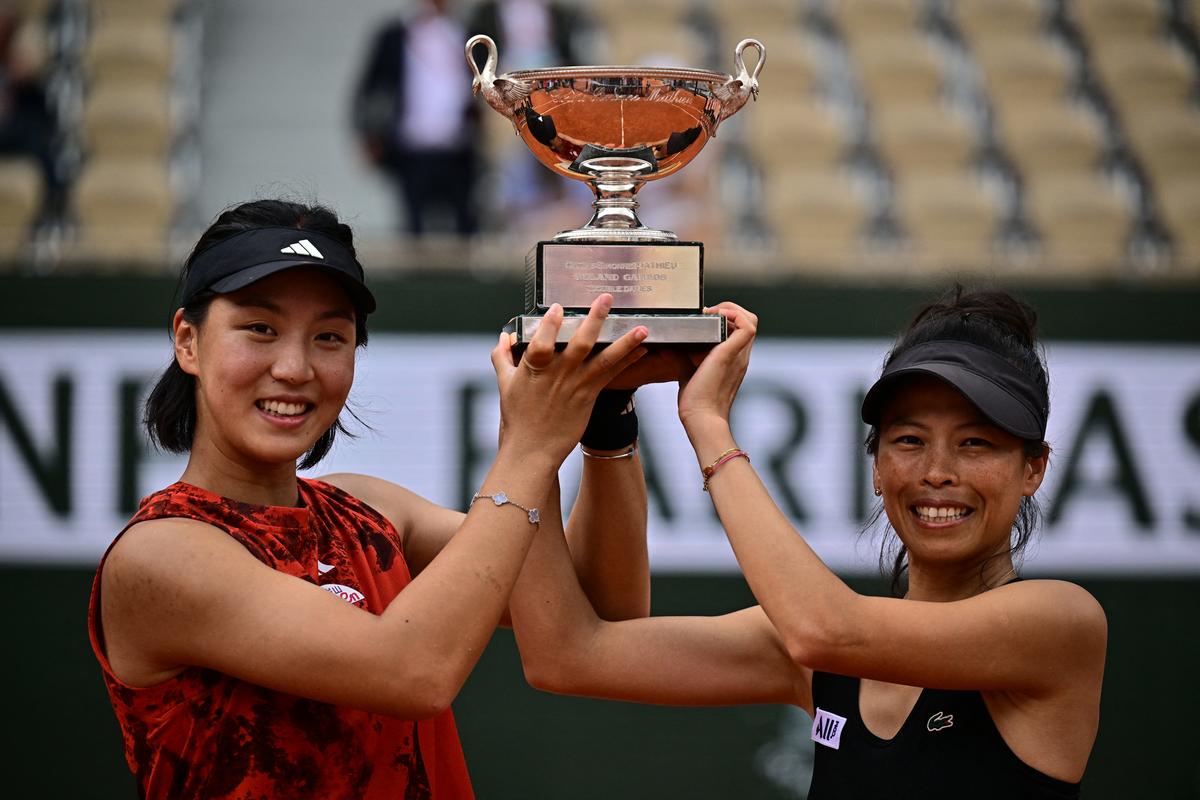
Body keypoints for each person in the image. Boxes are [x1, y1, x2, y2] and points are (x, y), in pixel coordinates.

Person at [86, 198, 656, 798]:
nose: (294, 367)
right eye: (260, 329)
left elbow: (600, 611)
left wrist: (607, 418)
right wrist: (529, 446)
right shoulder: (161, 556)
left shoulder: (371, 513)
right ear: (188, 342)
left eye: (329, 337)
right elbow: (414, 672)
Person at [509, 288, 1107, 797]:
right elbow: (565, 654)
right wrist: (566, 427)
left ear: (1034, 469)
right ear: (875, 466)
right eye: (909, 440)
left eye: (976, 443)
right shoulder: (816, 653)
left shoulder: (1060, 623)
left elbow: (825, 629)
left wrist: (709, 423)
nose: (937, 471)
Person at [353, 1, 482, 236]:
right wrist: (369, 134)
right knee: (413, 227)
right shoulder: (394, 36)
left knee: (466, 225)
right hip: (411, 149)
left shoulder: (470, 34)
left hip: (461, 150)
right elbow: (369, 88)